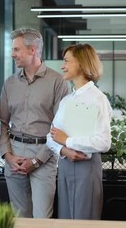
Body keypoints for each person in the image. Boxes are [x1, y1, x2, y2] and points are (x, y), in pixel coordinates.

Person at [0, 28, 69, 218]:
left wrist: (37, 160)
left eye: (16, 49)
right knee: (18, 218)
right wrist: (8, 155)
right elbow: (2, 122)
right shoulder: (10, 83)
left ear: (32, 50)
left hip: (44, 155)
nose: (12, 54)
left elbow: (60, 127)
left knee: (42, 219)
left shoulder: (57, 82)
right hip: (14, 155)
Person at [46, 43, 112, 220]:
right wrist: (64, 149)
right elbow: (50, 136)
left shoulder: (98, 99)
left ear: (81, 64)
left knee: (85, 220)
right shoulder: (67, 100)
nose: (62, 66)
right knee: (66, 220)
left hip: (86, 166)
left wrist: (68, 141)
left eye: (67, 61)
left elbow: (104, 142)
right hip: (66, 164)